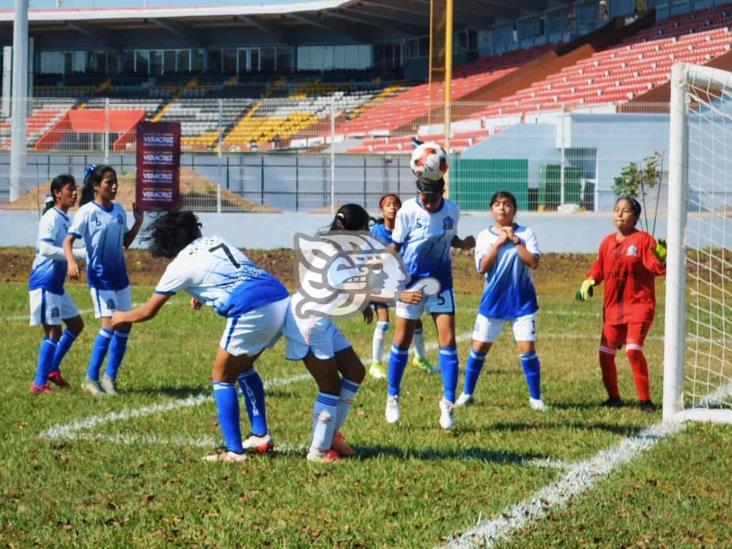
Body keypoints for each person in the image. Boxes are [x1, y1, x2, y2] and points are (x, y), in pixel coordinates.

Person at [111, 211, 290, 463]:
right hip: (279, 298)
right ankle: (260, 435)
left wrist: (120, 317)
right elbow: (226, 270)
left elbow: (148, 311)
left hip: (250, 307)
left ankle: (234, 451)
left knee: (221, 377)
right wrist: (202, 292)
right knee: (244, 366)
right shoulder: (215, 240)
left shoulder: (178, 266)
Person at [384, 177, 475, 430]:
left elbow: (449, 236)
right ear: (418, 193)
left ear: (441, 193)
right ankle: (393, 396)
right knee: (402, 339)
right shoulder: (408, 211)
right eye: (424, 197)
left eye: (433, 198)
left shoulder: (452, 210)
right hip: (412, 283)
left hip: (442, 282)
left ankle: (447, 402)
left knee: (448, 341)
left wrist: (462, 243)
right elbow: (397, 244)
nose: (428, 202)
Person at [283, 204, 370, 462]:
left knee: (355, 370)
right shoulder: (334, 252)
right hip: (309, 323)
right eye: (365, 228)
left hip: (322, 321)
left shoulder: (336, 247)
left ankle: (332, 435)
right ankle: (318, 450)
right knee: (330, 386)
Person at [455, 191, 546, 411]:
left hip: (522, 302)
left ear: (514, 210)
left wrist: (515, 241)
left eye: (507, 204)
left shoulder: (526, 233)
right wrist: (498, 243)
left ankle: (535, 398)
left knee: (527, 349)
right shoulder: (484, 236)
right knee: (479, 349)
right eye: (497, 204)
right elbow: (482, 268)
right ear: (491, 210)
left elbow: (533, 262)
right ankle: (467, 393)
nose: (502, 208)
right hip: (493, 302)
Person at [576, 196, 666, 412]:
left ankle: (645, 401)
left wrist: (662, 256)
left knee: (633, 351)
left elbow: (656, 268)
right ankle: (614, 399)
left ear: (635, 216)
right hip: (613, 309)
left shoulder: (644, 240)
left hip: (639, 305)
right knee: (605, 354)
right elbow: (599, 267)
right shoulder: (607, 242)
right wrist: (589, 281)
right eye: (616, 209)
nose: (619, 213)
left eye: (625, 210)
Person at [63, 164, 143, 397]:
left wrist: (137, 222)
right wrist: (70, 262)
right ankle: (90, 378)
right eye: (109, 182)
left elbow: (124, 243)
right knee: (108, 326)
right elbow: (68, 241)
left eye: (115, 181)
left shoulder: (118, 211)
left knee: (125, 324)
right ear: (96, 186)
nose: (114, 186)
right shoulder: (87, 212)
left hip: (121, 278)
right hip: (100, 279)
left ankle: (110, 378)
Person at [28, 175, 86, 394]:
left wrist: (79, 256)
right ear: (57, 193)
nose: (74, 193)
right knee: (54, 332)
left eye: (75, 189)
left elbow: (64, 251)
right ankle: (39, 383)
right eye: (70, 189)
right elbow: (45, 249)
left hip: (55, 286)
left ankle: (52, 370)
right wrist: (75, 256)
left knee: (76, 324)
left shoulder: (63, 218)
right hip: (44, 282)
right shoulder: (51, 217)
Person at [369, 193, 437, 379]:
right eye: (388, 205)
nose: (393, 208)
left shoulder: (406, 230)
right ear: (381, 210)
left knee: (415, 321)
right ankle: (376, 364)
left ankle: (420, 358)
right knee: (383, 322)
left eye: (396, 205)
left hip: (402, 283)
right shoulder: (375, 231)